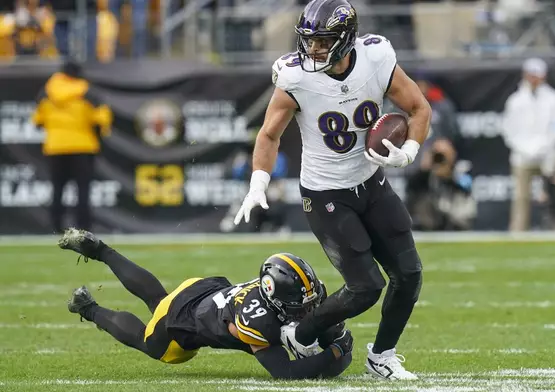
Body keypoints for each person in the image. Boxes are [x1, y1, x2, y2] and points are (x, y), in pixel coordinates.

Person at [233, 0, 431, 380]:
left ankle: (382, 356)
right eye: (308, 41)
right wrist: (259, 180)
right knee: (366, 287)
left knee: (409, 274)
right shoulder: (296, 77)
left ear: (346, 39)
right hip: (326, 193)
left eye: (322, 42)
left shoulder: (377, 57)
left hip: (372, 182)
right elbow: (270, 133)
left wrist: (409, 151)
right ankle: (301, 334)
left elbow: (418, 108)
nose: (313, 50)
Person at [58, 228, 353, 379]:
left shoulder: (275, 296)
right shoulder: (256, 322)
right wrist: (337, 352)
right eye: (300, 303)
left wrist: (331, 335)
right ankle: (88, 307)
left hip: (202, 291)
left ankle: (101, 250)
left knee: (158, 299)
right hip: (183, 322)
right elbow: (285, 373)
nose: (307, 307)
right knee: (151, 343)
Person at [32, 60, 112, 234]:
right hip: (83, 146)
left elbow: (37, 121)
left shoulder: (46, 91)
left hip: (55, 146)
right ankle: (83, 226)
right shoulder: (87, 92)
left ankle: (55, 226)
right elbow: (102, 119)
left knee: (57, 188)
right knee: (82, 189)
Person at [502, 57, 555, 231]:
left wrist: (545, 147)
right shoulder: (515, 100)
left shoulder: (553, 99)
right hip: (522, 156)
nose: (532, 79)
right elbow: (509, 129)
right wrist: (524, 148)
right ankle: (518, 233)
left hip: (547, 155)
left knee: (554, 195)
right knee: (521, 198)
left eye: (536, 75)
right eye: (530, 75)